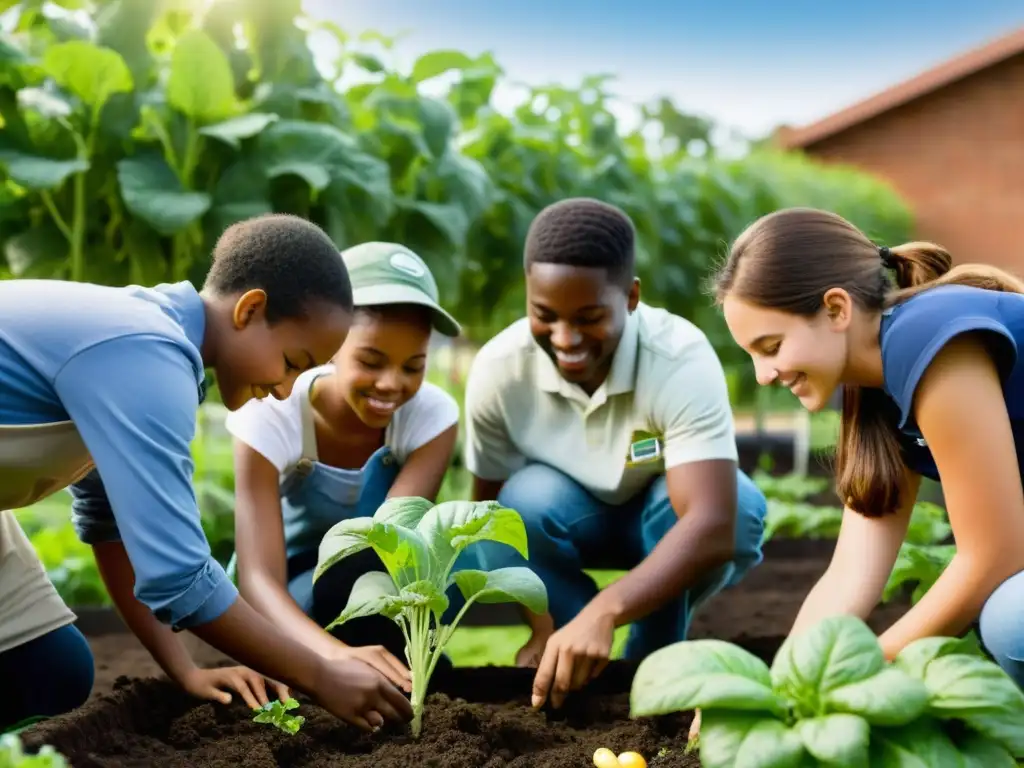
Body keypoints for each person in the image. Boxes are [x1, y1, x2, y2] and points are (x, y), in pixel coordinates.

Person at [0, 214, 412, 733]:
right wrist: (321, 674)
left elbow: (110, 525)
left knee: (51, 671)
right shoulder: (148, 355)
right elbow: (181, 577)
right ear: (251, 309)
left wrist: (186, 670)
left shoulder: (147, 342)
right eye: (290, 361)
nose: (287, 390)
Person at [462, 198, 768, 710]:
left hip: (662, 520)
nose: (565, 338)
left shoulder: (679, 358)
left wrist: (607, 610)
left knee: (736, 505)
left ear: (631, 297)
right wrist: (542, 623)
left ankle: (655, 655)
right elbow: (487, 521)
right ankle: (572, 651)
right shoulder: (499, 369)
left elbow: (713, 522)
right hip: (564, 516)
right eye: (544, 315)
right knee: (514, 506)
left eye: (588, 317)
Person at [713, 206, 1024, 687]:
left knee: (1013, 621)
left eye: (771, 346)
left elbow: (997, 554)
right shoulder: (874, 394)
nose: (763, 374)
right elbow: (848, 576)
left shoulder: (928, 340)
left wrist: (861, 674)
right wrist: (777, 690)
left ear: (836, 309)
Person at [225, 242, 461, 680]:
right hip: (293, 592)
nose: (392, 384)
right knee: (337, 582)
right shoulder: (272, 410)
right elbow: (257, 578)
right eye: (371, 361)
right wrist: (330, 656)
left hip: (376, 581)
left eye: (413, 366)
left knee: (366, 563)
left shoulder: (432, 416)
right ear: (332, 344)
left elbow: (395, 546)